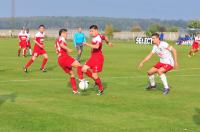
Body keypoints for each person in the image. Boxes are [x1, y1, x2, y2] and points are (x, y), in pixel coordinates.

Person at [78, 25, 113, 96]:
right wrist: (108, 42)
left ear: (96, 30)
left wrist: (87, 44)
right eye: (90, 31)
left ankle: (101, 89)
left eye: (92, 31)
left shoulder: (98, 38)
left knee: (94, 75)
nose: (91, 33)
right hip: (93, 57)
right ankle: (85, 81)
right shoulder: (99, 36)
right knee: (83, 69)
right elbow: (105, 37)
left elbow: (97, 46)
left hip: (98, 58)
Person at [55, 29, 85, 94]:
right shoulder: (61, 38)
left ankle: (75, 90)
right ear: (62, 33)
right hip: (64, 57)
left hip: (60, 60)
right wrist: (68, 49)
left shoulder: (56, 40)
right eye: (66, 33)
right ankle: (81, 79)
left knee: (72, 74)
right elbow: (61, 45)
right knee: (79, 65)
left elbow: (57, 49)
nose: (67, 35)